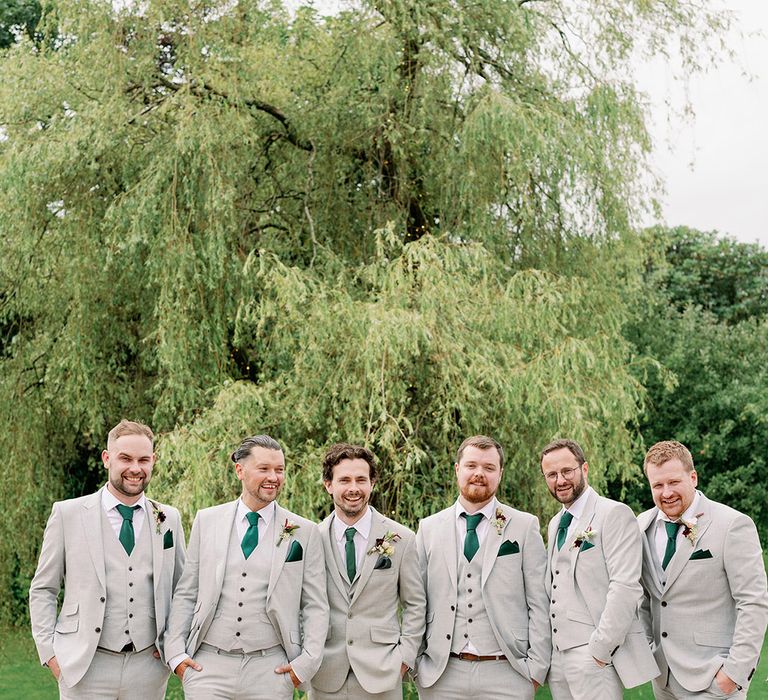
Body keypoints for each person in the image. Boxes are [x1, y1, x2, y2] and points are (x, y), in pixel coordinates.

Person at [29, 419, 186, 698]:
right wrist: (51, 655)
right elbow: (44, 589)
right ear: (106, 458)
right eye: (125, 458)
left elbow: (182, 590)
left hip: (148, 668)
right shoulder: (68, 514)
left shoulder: (168, 518)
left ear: (153, 461)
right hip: (85, 665)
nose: (135, 468)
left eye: (143, 459)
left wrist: (173, 647)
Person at [164, 434, 328, 699]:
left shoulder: (303, 531)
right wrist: (176, 654)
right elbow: (187, 591)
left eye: (279, 470)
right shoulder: (207, 521)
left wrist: (305, 665)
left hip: (271, 669)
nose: (273, 477)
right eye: (264, 469)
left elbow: (316, 604)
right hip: (208, 665)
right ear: (240, 470)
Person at [414, 435, 549, 699]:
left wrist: (536, 668)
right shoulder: (429, 528)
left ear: (500, 473)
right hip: (441, 674)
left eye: (489, 468)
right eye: (471, 466)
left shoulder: (523, 525)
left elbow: (539, 601)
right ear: (457, 469)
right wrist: (418, 662)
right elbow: (416, 600)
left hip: (507, 671)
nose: (479, 474)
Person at [638, 440, 768, 699]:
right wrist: (648, 649)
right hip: (662, 679)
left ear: (693, 477)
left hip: (714, 680)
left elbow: (753, 602)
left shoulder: (732, 524)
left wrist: (734, 673)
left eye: (674, 482)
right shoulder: (641, 525)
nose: (666, 493)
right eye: (658, 485)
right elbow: (644, 597)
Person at [540, 438, 658, 699]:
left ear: (584, 469)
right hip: (558, 659)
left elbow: (625, 587)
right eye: (551, 474)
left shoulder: (614, 513)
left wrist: (600, 650)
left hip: (593, 655)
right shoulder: (555, 523)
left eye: (566, 471)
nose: (560, 480)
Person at [309, 443, 426, 699]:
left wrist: (405, 657)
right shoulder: (311, 539)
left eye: (361, 480)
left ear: (372, 483)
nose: (354, 488)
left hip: (382, 673)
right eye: (344, 480)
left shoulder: (401, 539)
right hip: (324, 675)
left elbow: (416, 604)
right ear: (328, 485)